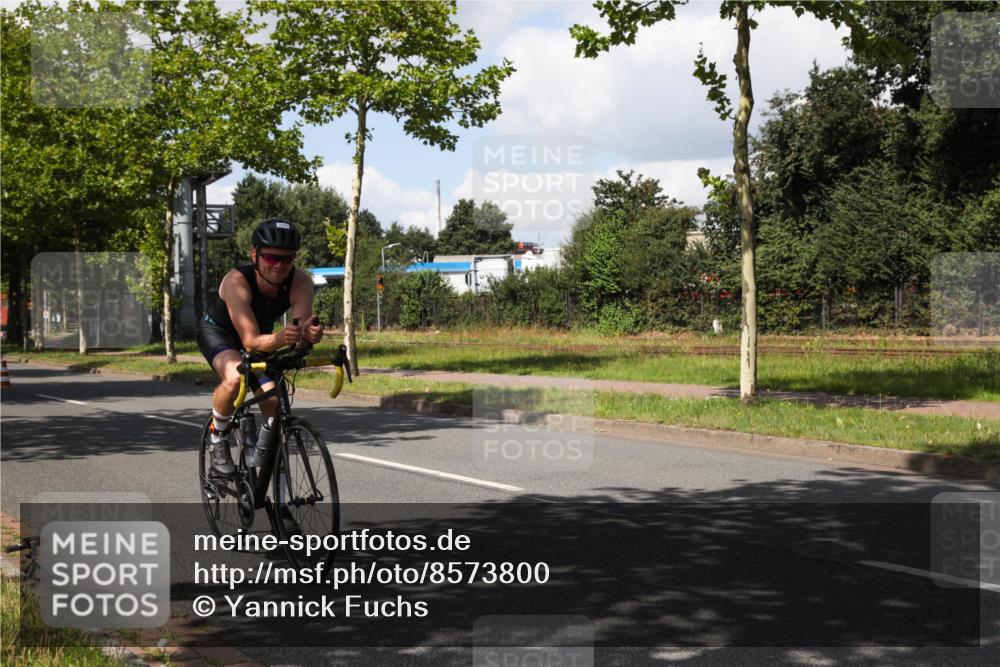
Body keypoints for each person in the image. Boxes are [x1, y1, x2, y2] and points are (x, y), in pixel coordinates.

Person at [196, 219, 323, 480]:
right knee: (235, 377)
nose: (279, 265)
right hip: (220, 333)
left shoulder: (301, 281)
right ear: (255, 255)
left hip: (263, 336)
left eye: (287, 259)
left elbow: (298, 333)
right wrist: (281, 338)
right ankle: (217, 436)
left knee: (273, 400)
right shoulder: (236, 281)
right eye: (272, 258)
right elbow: (250, 341)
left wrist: (307, 337)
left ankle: (269, 465)